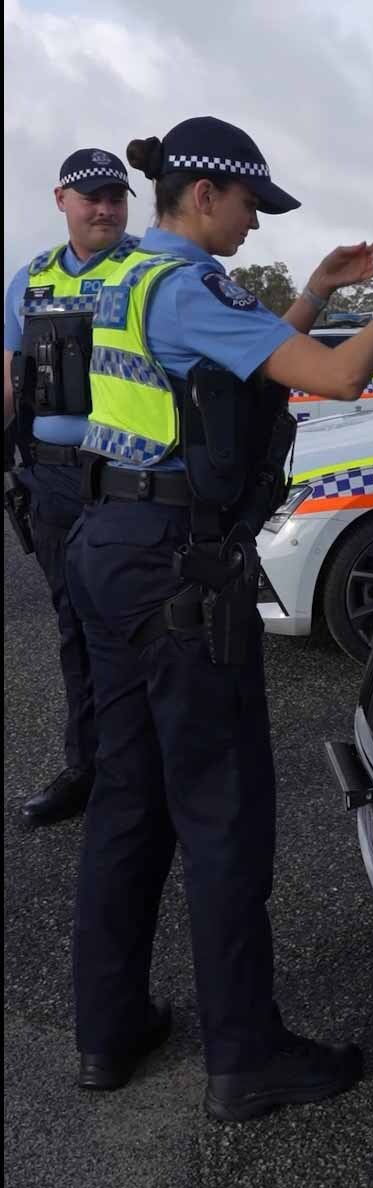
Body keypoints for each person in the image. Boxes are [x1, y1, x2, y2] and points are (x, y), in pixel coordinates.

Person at [65, 116, 373, 1120]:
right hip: (178, 576)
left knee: (128, 802)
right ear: (204, 196)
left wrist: (318, 290)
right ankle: (247, 1057)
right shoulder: (187, 286)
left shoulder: (119, 275)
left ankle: (109, 1029)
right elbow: (340, 378)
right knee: (223, 815)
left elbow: (230, 363)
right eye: (248, 208)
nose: (252, 227)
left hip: (108, 547)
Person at [3, 149, 141, 826]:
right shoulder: (29, 279)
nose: (105, 207)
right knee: (76, 630)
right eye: (91, 196)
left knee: (150, 627)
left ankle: (156, 775)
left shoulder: (153, 269)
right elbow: (8, 380)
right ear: (61, 199)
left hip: (135, 479)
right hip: (54, 477)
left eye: (116, 195)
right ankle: (87, 769)